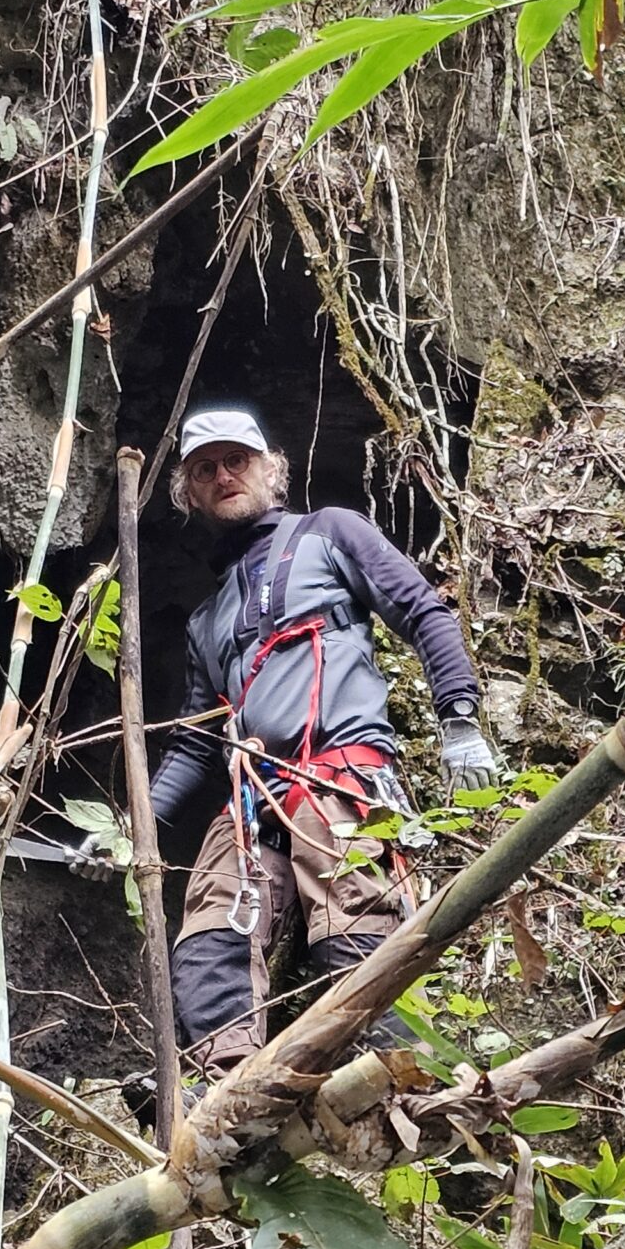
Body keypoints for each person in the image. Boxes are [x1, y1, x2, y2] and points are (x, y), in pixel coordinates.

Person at [147, 406, 497, 1076]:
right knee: (210, 935)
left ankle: (387, 1081)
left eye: (237, 460)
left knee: (357, 928)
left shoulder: (329, 533)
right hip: (250, 806)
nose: (223, 476)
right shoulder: (205, 621)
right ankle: (224, 1089)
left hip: (337, 776)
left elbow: (422, 611)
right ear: (188, 492)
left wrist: (458, 720)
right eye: (205, 469)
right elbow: (192, 745)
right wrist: (136, 829)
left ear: (271, 469)